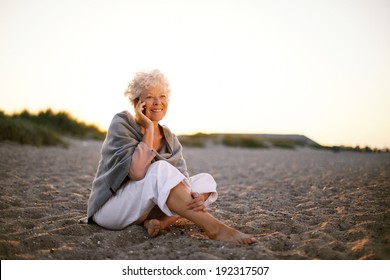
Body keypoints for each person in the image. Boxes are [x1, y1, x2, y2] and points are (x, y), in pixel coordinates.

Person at [85, 69, 256, 244]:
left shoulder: (170, 138)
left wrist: (196, 196)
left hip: (145, 209)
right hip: (112, 209)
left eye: (163, 96)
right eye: (150, 96)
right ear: (138, 102)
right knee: (160, 169)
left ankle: (160, 222)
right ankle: (215, 229)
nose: (158, 102)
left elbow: (182, 180)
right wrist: (149, 128)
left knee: (205, 180)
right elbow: (136, 173)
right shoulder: (122, 123)